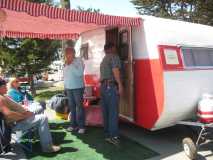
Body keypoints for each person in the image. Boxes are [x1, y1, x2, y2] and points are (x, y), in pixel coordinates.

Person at [0, 79, 61, 153]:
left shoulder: (4, 95)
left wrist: (23, 109)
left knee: (39, 108)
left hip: (21, 117)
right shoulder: (1, 98)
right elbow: (9, 114)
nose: (6, 88)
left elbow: (15, 106)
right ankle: (47, 147)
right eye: (4, 86)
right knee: (42, 117)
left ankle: (41, 135)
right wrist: (24, 115)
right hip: (16, 123)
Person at [100, 42, 124, 145]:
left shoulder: (104, 59)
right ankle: (113, 136)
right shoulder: (114, 57)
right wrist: (120, 84)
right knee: (113, 112)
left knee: (106, 111)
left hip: (103, 87)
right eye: (115, 47)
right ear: (112, 48)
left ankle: (107, 133)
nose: (116, 49)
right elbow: (115, 70)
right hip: (111, 86)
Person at [63, 47, 85, 134]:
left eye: (69, 53)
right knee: (72, 107)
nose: (67, 55)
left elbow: (79, 73)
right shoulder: (65, 63)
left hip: (78, 87)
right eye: (66, 53)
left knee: (79, 107)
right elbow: (65, 76)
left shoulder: (79, 60)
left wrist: (71, 64)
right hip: (69, 88)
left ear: (73, 53)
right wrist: (65, 87)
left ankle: (81, 126)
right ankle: (73, 125)